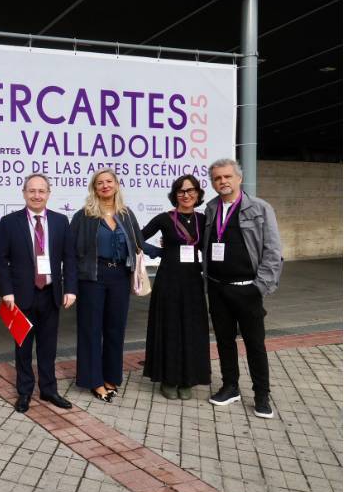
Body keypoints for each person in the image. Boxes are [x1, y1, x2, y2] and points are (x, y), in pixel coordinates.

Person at [202, 158, 282, 418]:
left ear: (239, 178)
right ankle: (230, 387)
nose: (222, 181)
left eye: (227, 176)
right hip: (217, 288)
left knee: (255, 344)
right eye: (217, 178)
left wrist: (259, 287)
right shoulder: (211, 208)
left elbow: (273, 252)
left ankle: (262, 395)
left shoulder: (260, 208)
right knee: (224, 341)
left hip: (247, 289)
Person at [71, 168, 156, 402]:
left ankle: (110, 376)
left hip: (119, 277)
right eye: (100, 183)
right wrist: (70, 283)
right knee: (91, 330)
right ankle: (94, 381)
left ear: (117, 185)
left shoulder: (126, 214)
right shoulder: (84, 216)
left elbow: (139, 243)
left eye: (109, 181)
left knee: (115, 329)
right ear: (94, 188)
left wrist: (167, 251)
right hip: (92, 278)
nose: (105, 185)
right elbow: (71, 250)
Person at [0, 174, 77, 413]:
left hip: (51, 294)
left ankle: (49, 389)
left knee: (48, 347)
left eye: (41, 191)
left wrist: (71, 288)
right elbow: (1, 260)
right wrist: (6, 291)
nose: (37, 195)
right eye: (32, 191)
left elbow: (69, 258)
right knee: (23, 348)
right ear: (24, 193)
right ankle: (24, 392)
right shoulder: (10, 222)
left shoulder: (61, 221)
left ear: (48, 194)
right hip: (21, 296)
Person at [141, 175, 211, 399]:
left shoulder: (204, 220)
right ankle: (169, 379)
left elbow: (211, 247)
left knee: (191, 329)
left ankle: (187, 379)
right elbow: (137, 238)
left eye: (190, 190)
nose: (186, 195)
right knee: (170, 328)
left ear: (198, 193)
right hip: (168, 282)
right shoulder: (164, 218)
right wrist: (158, 252)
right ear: (175, 195)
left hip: (193, 282)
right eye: (181, 191)